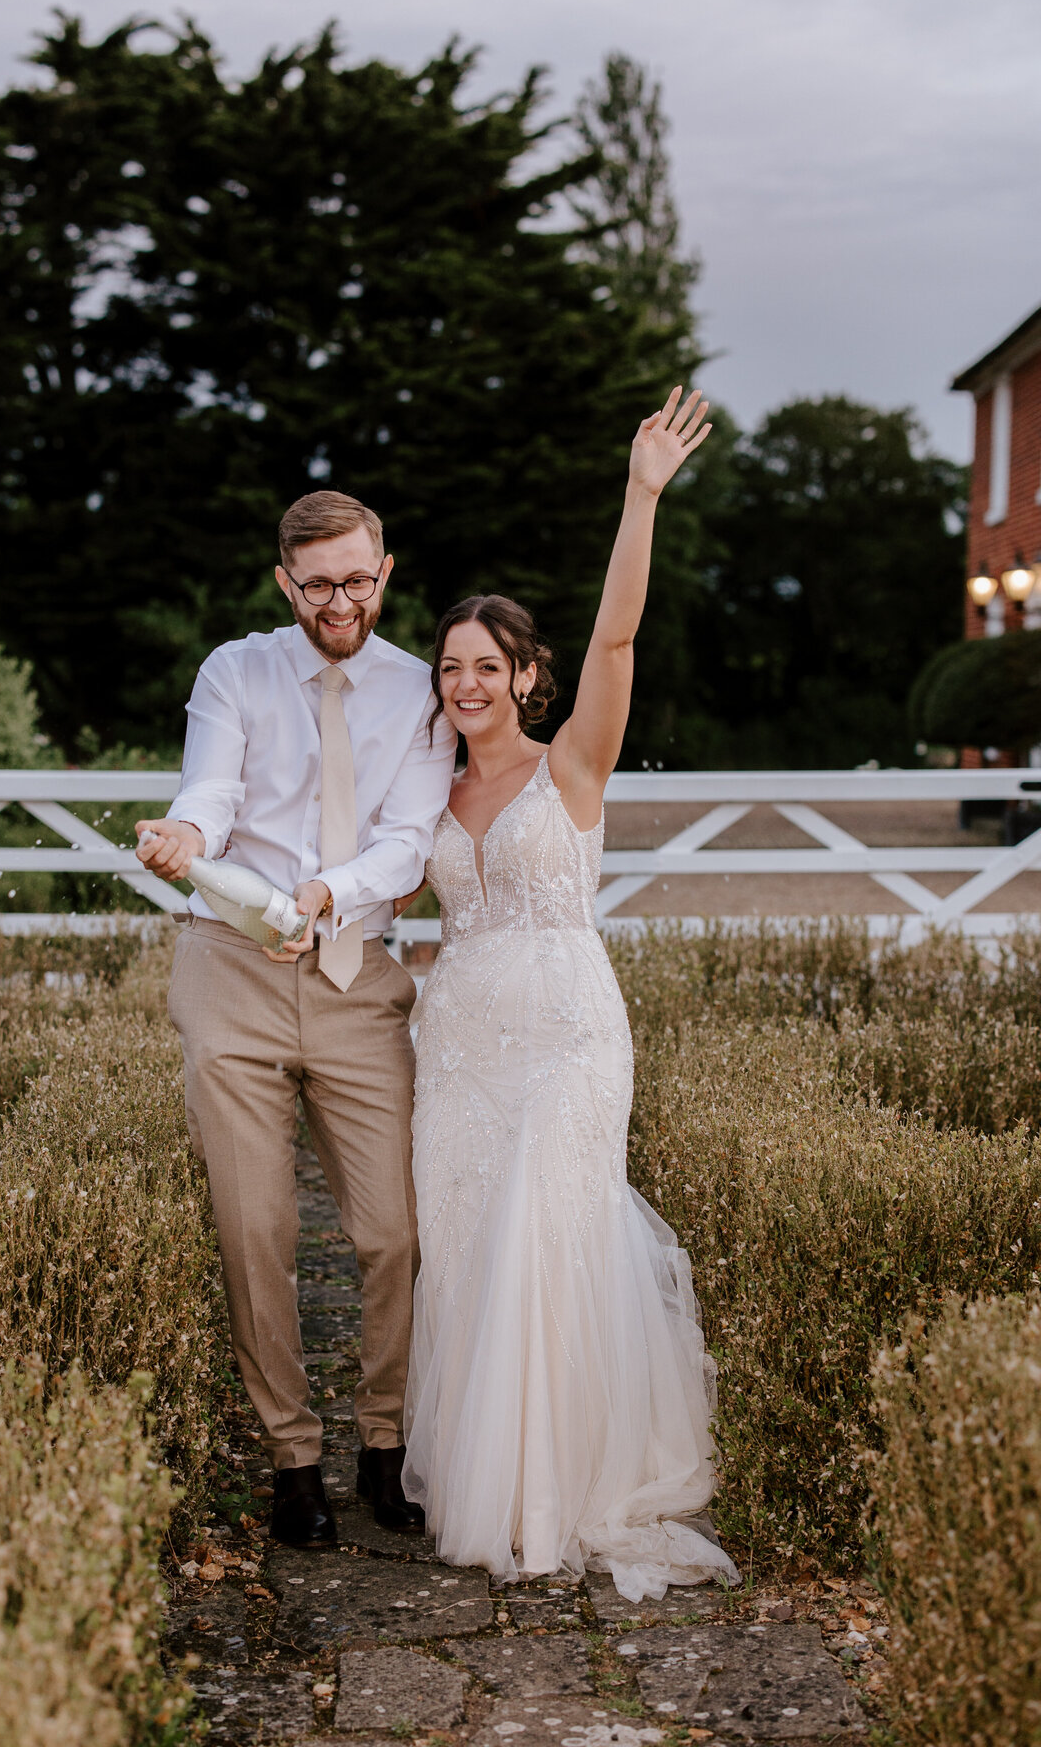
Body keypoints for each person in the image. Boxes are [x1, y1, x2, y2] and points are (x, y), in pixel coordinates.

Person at [402, 387, 740, 1599]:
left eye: (487, 665)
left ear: (527, 675)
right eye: (449, 668)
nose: (465, 684)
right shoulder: (420, 802)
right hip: (462, 1053)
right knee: (471, 1248)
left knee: (551, 1241)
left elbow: (616, 643)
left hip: (569, 1038)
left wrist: (640, 496)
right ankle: (488, 1490)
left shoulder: (575, 765)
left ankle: (556, 1504)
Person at [136, 491, 456, 1548]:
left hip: (355, 973)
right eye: (318, 584)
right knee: (256, 1229)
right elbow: (211, 789)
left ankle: (381, 1440)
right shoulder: (235, 670)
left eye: (357, 580)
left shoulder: (422, 690)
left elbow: (410, 841)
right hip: (233, 970)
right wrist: (185, 833)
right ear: (286, 581)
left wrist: (324, 898)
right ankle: (293, 1460)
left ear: (386, 571)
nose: (340, 602)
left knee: (391, 1232)